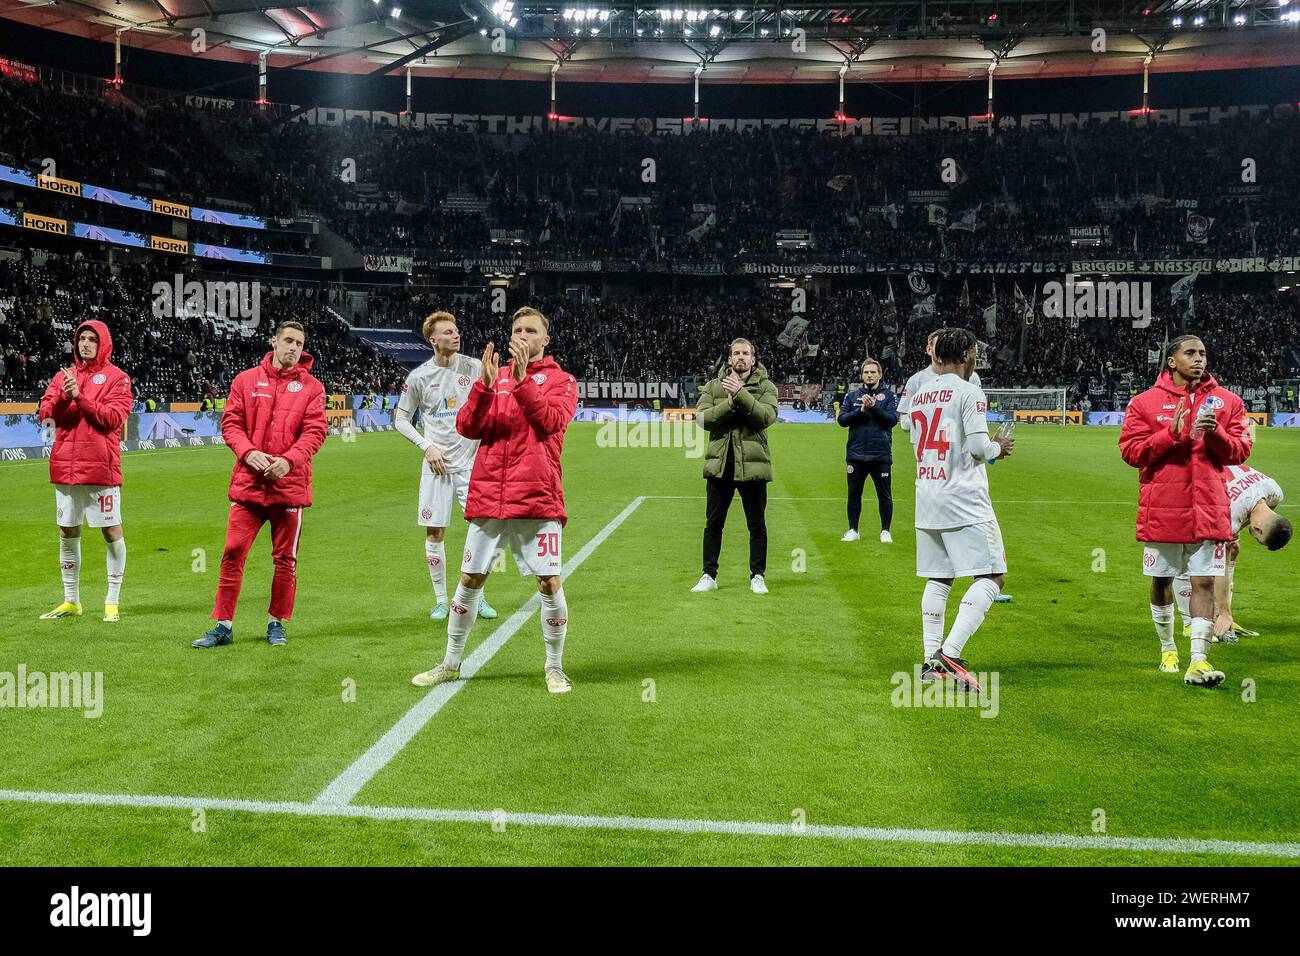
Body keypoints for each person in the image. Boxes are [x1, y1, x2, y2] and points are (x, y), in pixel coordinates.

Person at [412, 306, 578, 693]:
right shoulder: (494, 378)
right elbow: (467, 426)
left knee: (549, 583)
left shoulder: (562, 381)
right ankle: (450, 662)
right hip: (489, 493)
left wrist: (522, 382)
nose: (522, 335)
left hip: (537, 495)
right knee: (470, 579)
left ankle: (554, 667)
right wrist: (485, 387)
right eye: (517, 329)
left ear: (545, 339)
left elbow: (551, 422)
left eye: (530, 330)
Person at [1119, 334, 1251, 688]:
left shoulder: (1228, 402)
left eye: (1203, 353)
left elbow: (1239, 453)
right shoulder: (1144, 403)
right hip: (1163, 509)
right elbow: (1131, 453)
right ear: (1171, 361)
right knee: (1161, 581)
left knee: (1204, 582)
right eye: (1190, 353)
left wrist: (1217, 434)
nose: (1199, 359)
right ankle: (1167, 647)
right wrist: (1170, 434)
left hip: (1209, 509)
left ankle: (1199, 660)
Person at [193, 320, 328, 648]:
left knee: (285, 559)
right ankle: (223, 625)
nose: (295, 348)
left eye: (300, 343)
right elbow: (231, 423)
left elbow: (315, 431)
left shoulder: (312, 388)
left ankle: (276, 622)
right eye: (289, 341)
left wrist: (289, 460)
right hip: (250, 485)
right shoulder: (245, 380)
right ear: (274, 342)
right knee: (233, 552)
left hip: (289, 485)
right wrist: (247, 451)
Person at [908, 328, 1014, 691]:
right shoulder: (970, 392)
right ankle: (949, 654)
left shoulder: (921, 394)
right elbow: (979, 450)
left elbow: (915, 442)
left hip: (927, 494)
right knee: (993, 575)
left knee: (939, 577)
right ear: (968, 355)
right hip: (963, 499)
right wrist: (999, 446)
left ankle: (929, 660)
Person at [393, 311, 497, 623]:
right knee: (435, 532)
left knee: (482, 530)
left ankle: (477, 596)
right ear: (433, 340)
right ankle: (441, 600)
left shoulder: (475, 367)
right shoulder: (419, 377)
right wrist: (427, 447)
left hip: (470, 465)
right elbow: (400, 419)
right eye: (448, 332)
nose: (456, 335)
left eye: (456, 331)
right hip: (436, 467)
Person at [37, 320, 132, 623]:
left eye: (92, 339)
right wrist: (66, 395)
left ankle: (112, 600)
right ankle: (71, 601)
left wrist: (80, 396)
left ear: (103, 343)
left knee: (111, 531)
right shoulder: (63, 376)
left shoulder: (119, 378)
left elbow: (111, 419)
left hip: (100, 469)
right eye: (82, 339)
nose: (86, 344)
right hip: (66, 468)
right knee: (67, 532)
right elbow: (47, 415)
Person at [691, 338, 779, 595]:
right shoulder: (713, 386)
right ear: (729, 359)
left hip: (753, 466)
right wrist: (730, 403)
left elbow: (765, 417)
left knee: (757, 524)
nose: (740, 357)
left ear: (753, 359)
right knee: (713, 523)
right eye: (736, 353)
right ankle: (709, 575)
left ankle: (758, 576)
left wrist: (740, 394)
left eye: (745, 353)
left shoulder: (766, 387)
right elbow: (702, 419)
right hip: (721, 465)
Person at [1173, 463, 1290, 641]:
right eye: (1258, 539)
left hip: (1212, 476)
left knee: (1232, 548)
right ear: (1258, 530)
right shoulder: (1232, 515)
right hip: (1182, 493)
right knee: (1189, 557)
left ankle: (1221, 618)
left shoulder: (1275, 491)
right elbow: (1220, 566)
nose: (1255, 539)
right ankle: (1191, 623)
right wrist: (1225, 612)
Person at [837, 357, 899, 543]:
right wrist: (861, 411)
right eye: (866, 372)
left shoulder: (889, 396)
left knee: (884, 494)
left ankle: (885, 531)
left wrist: (874, 407)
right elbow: (842, 420)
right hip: (856, 455)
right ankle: (853, 530)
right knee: (854, 493)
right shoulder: (852, 396)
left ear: (880, 375)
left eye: (873, 372)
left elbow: (892, 420)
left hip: (880, 454)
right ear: (862, 375)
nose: (869, 375)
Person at [897, 328, 982, 434]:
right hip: (929, 448)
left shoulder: (972, 377)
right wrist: (931, 421)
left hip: (961, 447)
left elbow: (976, 416)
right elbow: (904, 422)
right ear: (929, 350)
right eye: (938, 346)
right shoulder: (916, 381)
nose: (941, 350)